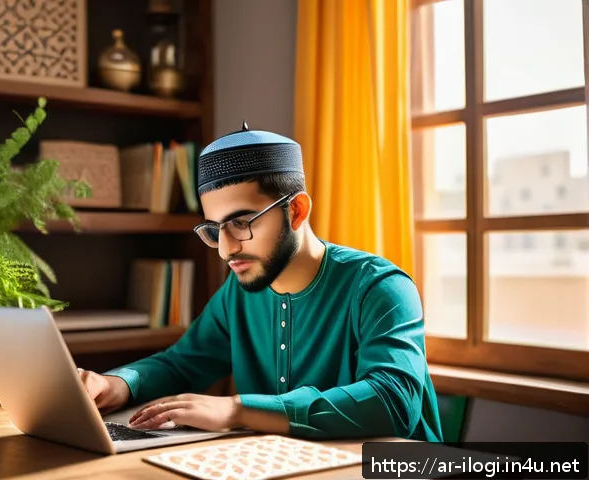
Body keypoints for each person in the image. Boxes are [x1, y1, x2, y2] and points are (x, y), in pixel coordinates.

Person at [80, 122, 444, 441]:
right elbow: (182, 364)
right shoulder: (238, 292)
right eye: (215, 229)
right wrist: (117, 385)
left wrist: (238, 410)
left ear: (296, 210)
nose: (225, 249)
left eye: (242, 223)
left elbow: (393, 401)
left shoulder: (381, 288)